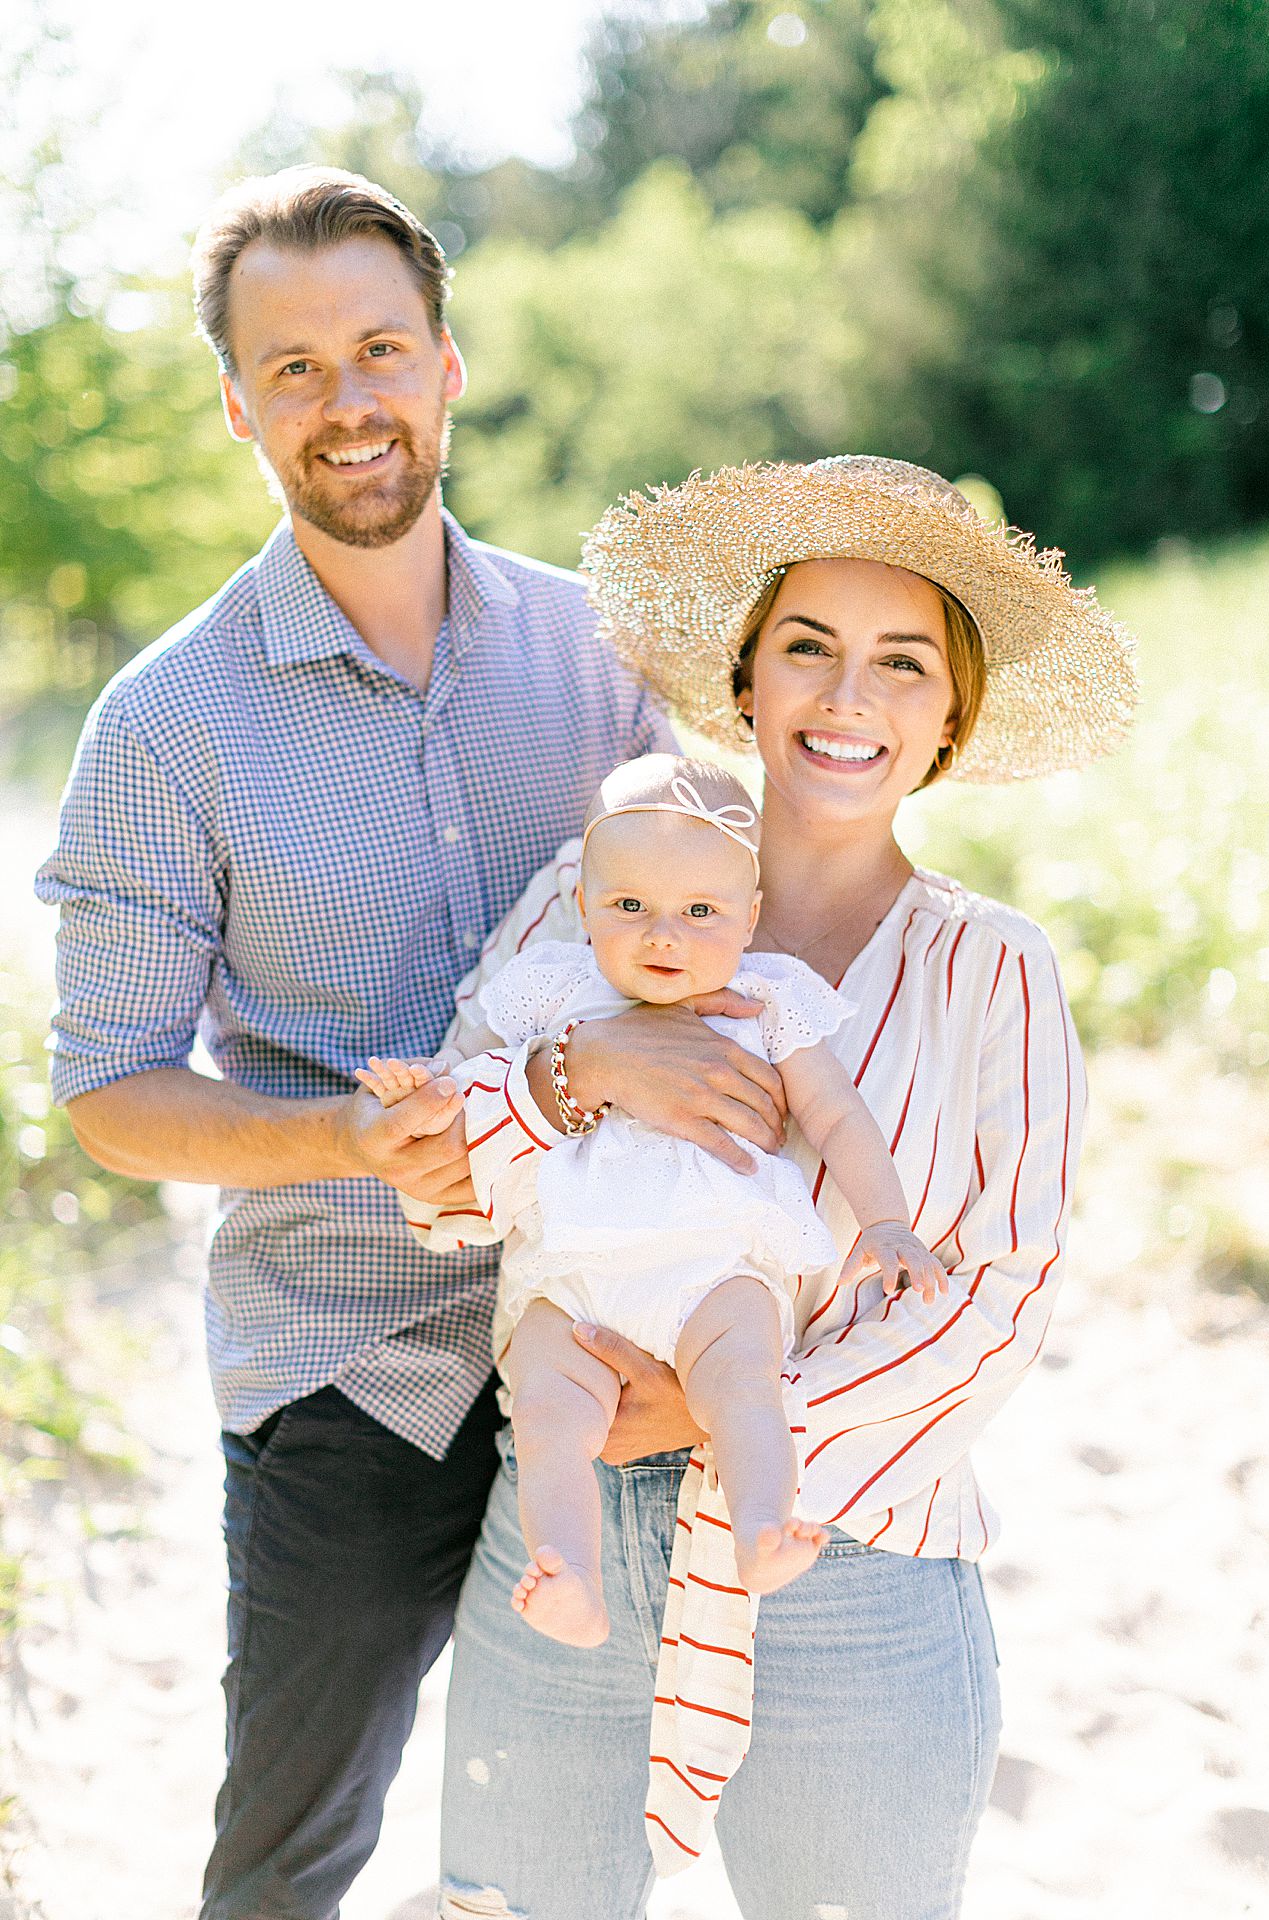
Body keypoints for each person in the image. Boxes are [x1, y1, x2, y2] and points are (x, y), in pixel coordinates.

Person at [32, 165, 684, 1920]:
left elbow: (718, 924)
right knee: (288, 1861)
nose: (350, 403)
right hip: (348, 1362)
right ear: (240, 407)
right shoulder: (166, 721)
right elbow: (107, 1091)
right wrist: (348, 1142)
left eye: (380, 349)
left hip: (616, 1339)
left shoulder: (605, 652)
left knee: (588, 1844)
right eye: (297, 369)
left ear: (450, 365)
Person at [402, 455, 1137, 1911]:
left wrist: (734, 1419)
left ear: (950, 719)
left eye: (901, 665)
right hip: (572, 1523)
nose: (846, 698)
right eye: (808, 648)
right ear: (748, 683)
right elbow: (433, 1190)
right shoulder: (585, 897)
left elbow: (998, 1299)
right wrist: (581, 1076)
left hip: (850, 1560)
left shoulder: (993, 969)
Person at [360, 752, 945, 1661]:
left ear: (749, 918)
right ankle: (569, 1576)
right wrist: (425, 1088)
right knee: (550, 1412)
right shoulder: (559, 992)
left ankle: (762, 1527)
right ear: (586, 906)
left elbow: (837, 1112)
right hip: (574, 1271)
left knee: (743, 1386)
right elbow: (479, 1077)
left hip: (716, 1263)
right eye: (630, 907)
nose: (663, 935)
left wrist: (885, 1218)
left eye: (700, 913)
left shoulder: (766, 997)